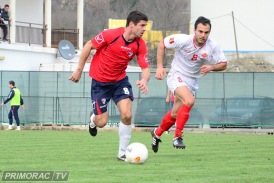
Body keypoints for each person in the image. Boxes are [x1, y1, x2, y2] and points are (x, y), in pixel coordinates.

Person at [69, 11, 150, 161]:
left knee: (127, 114)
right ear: (131, 25)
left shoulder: (140, 44)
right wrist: (79, 69)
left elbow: (145, 68)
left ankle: (122, 153)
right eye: (142, 25)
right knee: (102, 122)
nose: (145, 29)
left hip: (120, 82)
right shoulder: (111, 35)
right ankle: (93, 119)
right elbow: (88, 45)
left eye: (146, 26)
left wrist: (144, 80)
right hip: (100, 83)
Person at [151, 16, 228, 153]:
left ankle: (157, 133)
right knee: (190, 100)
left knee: (175, 114)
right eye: (200, 31)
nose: (203, 35)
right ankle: (177, 136)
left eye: (206, 32)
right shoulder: (183, 40)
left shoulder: (213, 46)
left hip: (192, 81)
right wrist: (159, 66)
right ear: (195, 30)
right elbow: (162, 44)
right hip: (176, 75)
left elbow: (224, 64)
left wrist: (211, 67)